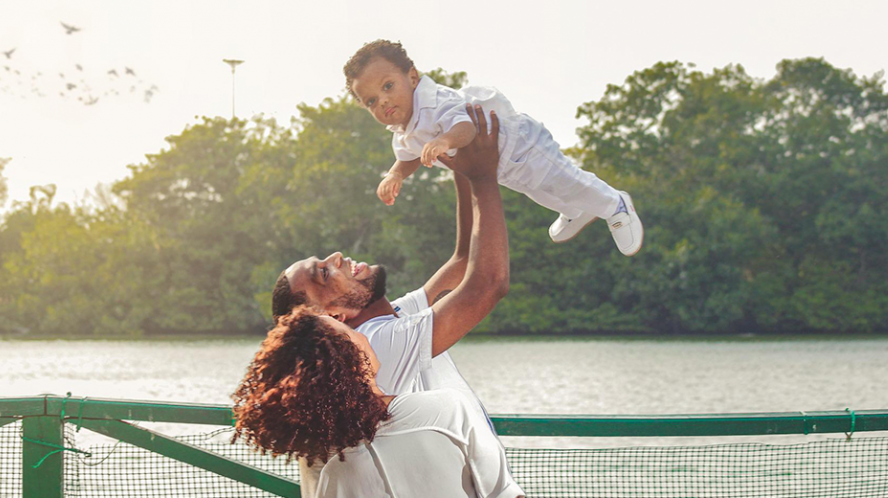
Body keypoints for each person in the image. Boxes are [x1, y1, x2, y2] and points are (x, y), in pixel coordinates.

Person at [272, 103, 509, 496]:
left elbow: (464, 260)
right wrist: (483, 176)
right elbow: (488, 283)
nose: (336, 257)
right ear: (333, 318)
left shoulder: (389, 317)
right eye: (324, 273)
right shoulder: (377, 341)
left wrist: (458, 161)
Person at [345, 39, 643, 253]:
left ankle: (615, 205)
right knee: (539, 191)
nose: (383, 101)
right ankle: (576, 211)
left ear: (412, 77)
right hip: (502, 166)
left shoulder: (436, 102)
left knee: (564, 179)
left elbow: (465, 127)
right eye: (371, 101)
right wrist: (395, 174)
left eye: (388, 86)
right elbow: (408, 156)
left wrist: (444, 140)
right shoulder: (403, 132)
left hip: (523, 144)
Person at [232, 307, 525, 498]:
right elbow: (503, 492)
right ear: (353, 359)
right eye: (350, 332)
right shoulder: (445, 411)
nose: (361, 334)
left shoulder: (335, 476)